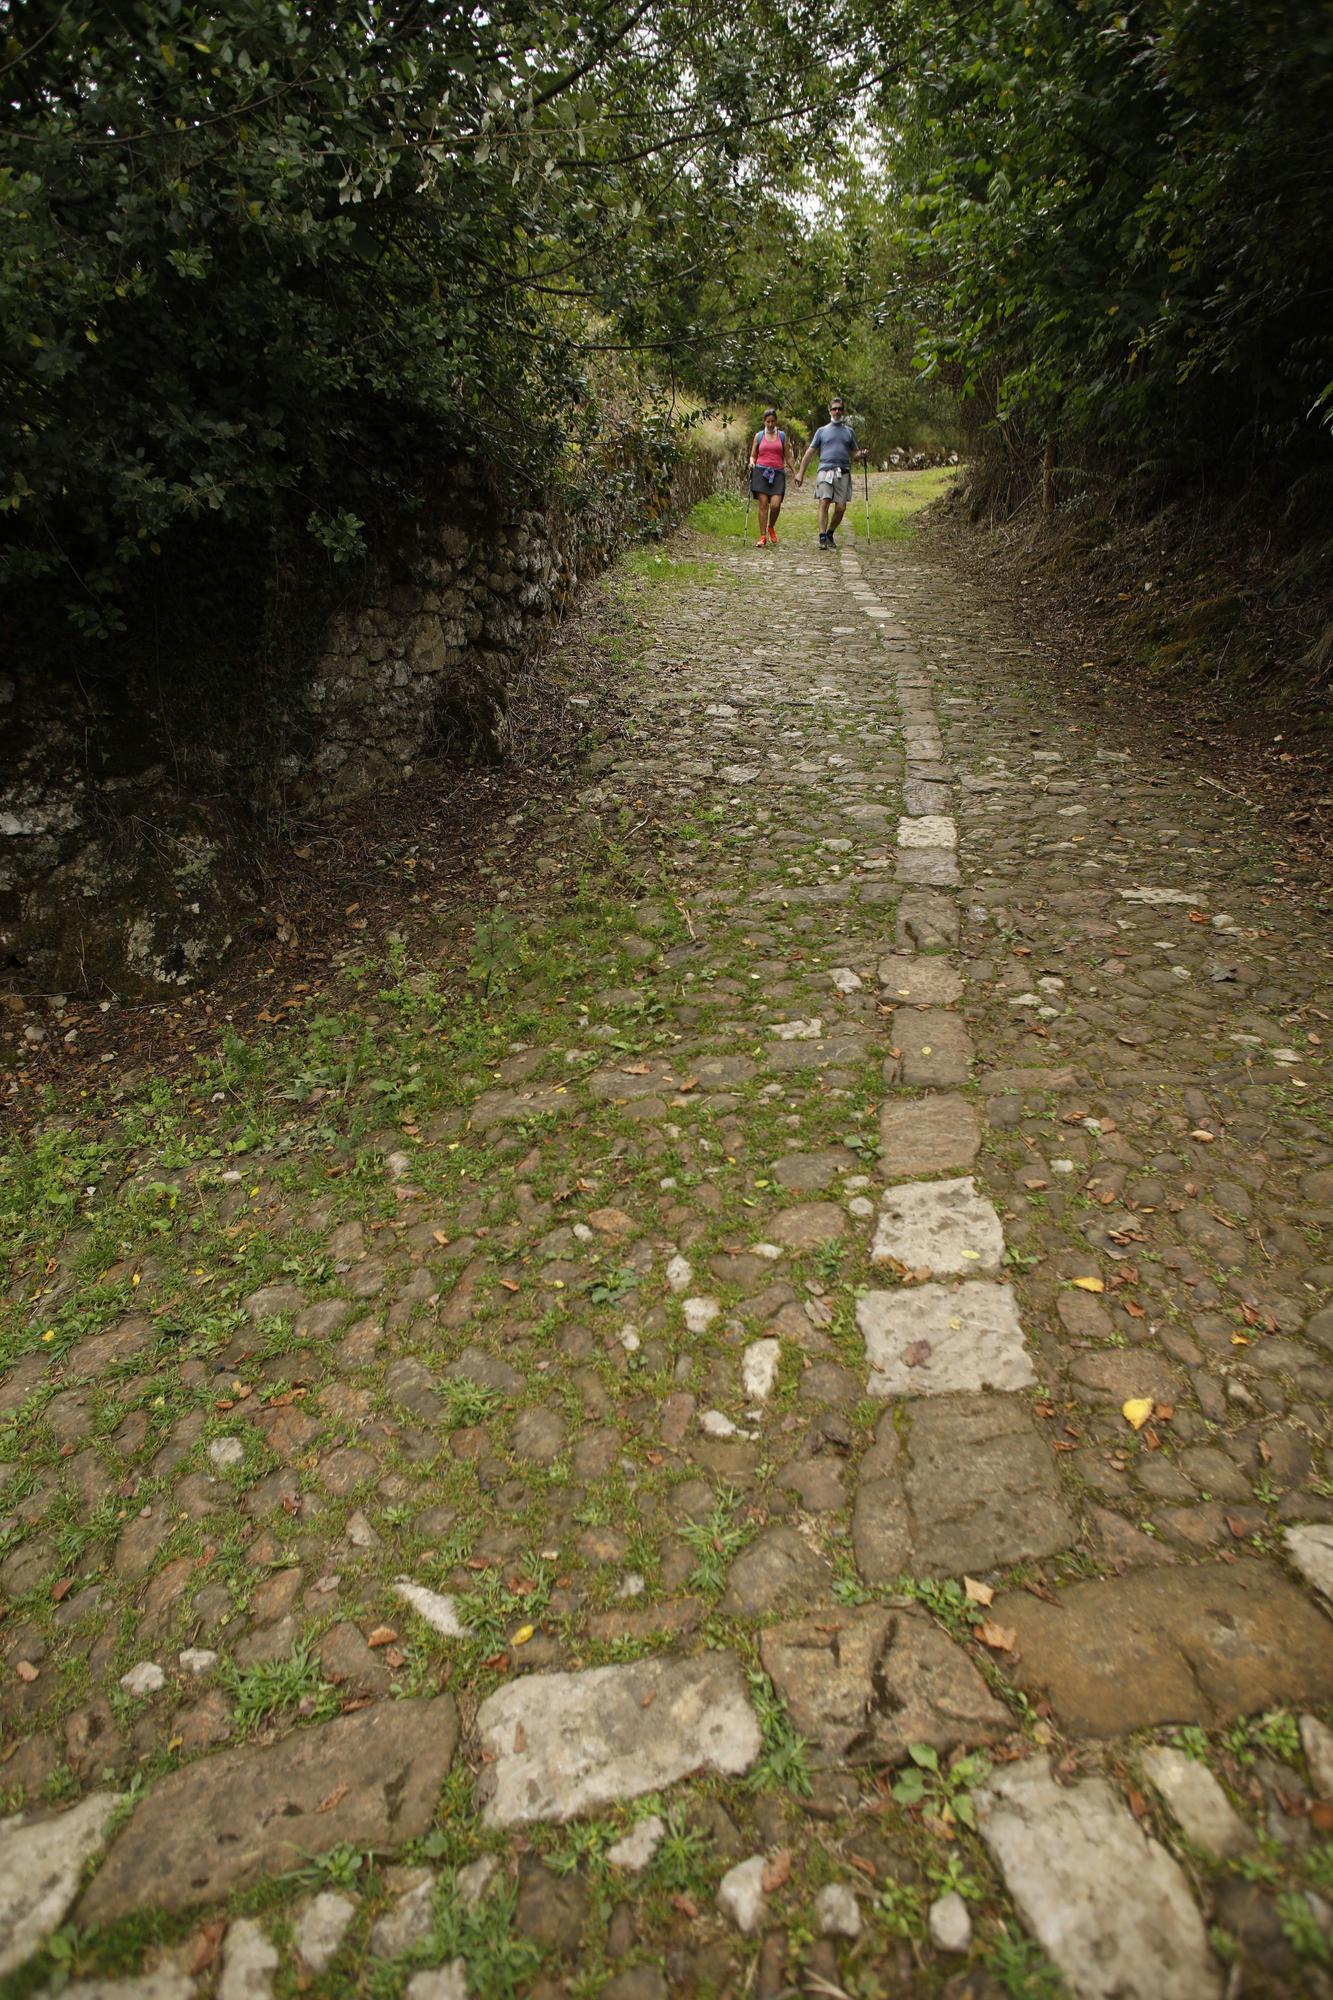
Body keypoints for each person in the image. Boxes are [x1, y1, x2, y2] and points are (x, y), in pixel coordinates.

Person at [795, 397, 867, 548]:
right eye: (834, 409)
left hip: (843, 472)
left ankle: (830, 532)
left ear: (843, 411)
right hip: (825, 470)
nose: (837, 411)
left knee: (841, 507)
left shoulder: (849, 432)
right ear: (830, 411)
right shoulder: (822, 431)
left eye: (839, 409)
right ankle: (822, 537)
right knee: (824, 501)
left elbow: (854, 453)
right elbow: (809, 453)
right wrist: (800, 473)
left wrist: (861, 454)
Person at [747, 407, 796, 546]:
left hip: (778, 473)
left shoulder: (782, 436)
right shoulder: (759, 436)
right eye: (768, 421)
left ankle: (771, 527)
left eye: (772, 421)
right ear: (764, 421)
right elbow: (753, 455)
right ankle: (763, 536)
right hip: (761, 472)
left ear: (776, 421)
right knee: (763, 505)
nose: (770, 424)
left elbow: (788, 456)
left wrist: (795, 472)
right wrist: (751, 463)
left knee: (775, 505)